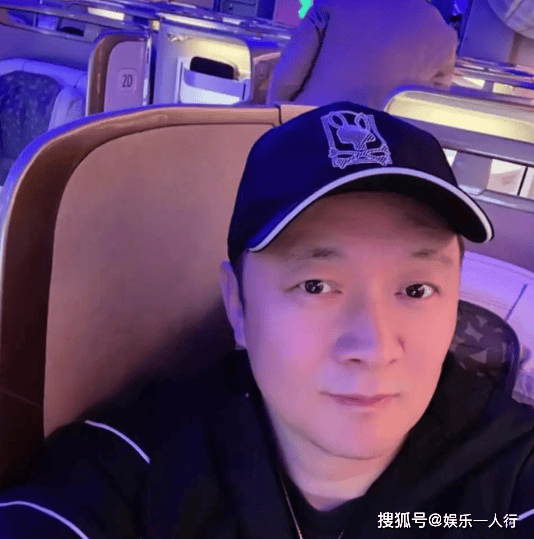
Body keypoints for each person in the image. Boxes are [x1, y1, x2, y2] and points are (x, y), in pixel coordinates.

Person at [1, 102, 534, 538]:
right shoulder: (136, 469)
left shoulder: (511, 475)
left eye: (416, 290)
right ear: (238, 305)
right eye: (316, 286)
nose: (374, 347)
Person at [267, 0, 458, 109]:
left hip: (311, 128)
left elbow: (288, 76)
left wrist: (273, 115)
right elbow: (431, 106)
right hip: (383, 150)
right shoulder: (444, 33)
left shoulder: (334, 3)